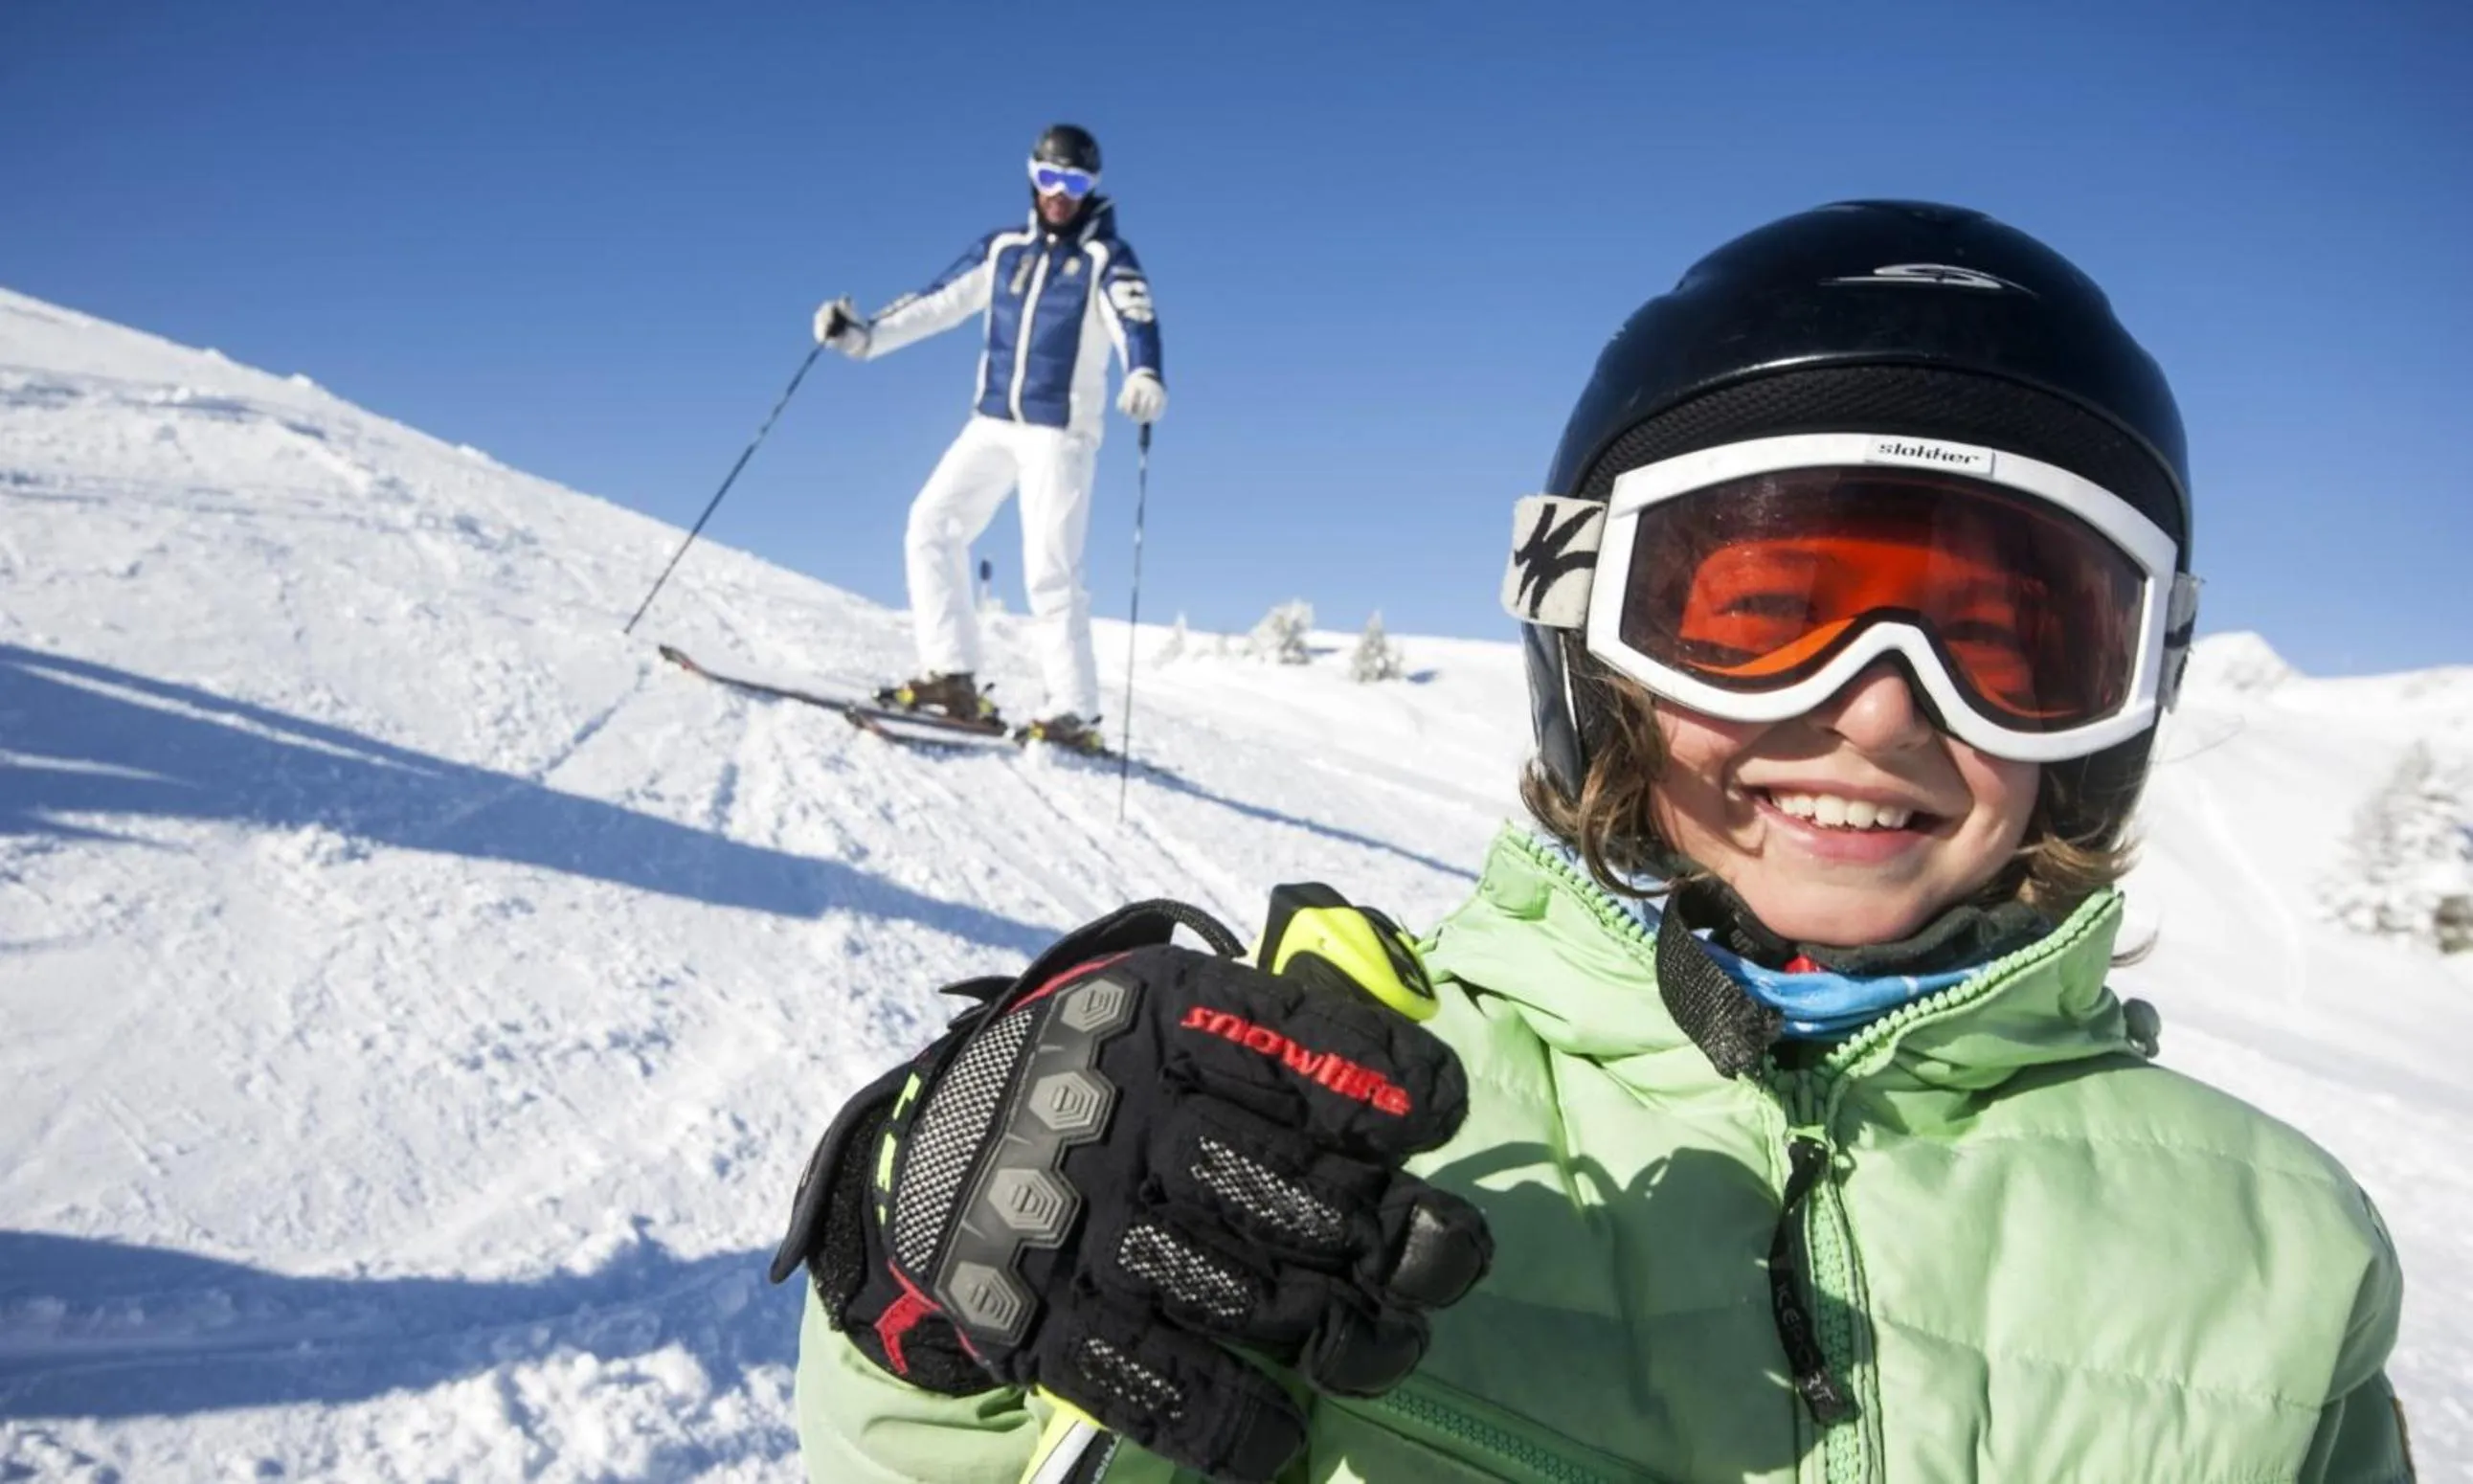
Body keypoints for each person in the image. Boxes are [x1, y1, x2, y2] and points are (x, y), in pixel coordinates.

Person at [770, 202, 2415, 1482]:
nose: (1881, 712)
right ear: (1585, 632)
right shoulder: (1343, 1109)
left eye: (2009, 648)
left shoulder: (2274, 1251)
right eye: (1764, 618)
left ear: (2123, 696)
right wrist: (931, 1300)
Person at [814, 124, 1165, 751]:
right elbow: (937, 302)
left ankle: (1074, 711)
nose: (1059, 194)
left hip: (1058, 433)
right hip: (992, 423)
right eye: (1049, 178)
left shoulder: (1104, 259)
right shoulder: (1003, 250)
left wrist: (1144, 371)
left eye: (1075, 182)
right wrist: (864, 336)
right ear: (1031, 175)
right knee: (931, 523)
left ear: (1092, 189)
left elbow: (1135, 317)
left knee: (1050, 571)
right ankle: (951, 676)